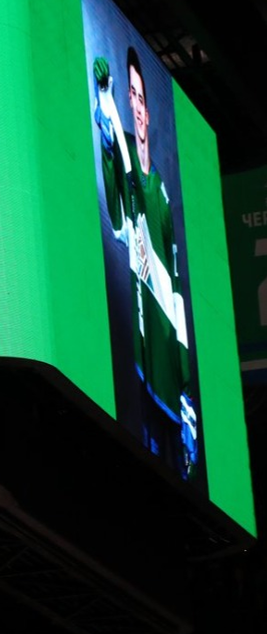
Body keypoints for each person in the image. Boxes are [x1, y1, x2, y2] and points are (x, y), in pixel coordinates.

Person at [92, 48, 197, 478]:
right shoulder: (131, 178)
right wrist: (105, 105)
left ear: (149, 113)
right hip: (143, 363)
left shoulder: (162, 194)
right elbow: (118, 221)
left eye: (140, 97)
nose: (135, 105)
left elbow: (177, 287)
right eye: (130, 95)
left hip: (172, 373)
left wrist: (185, 384)